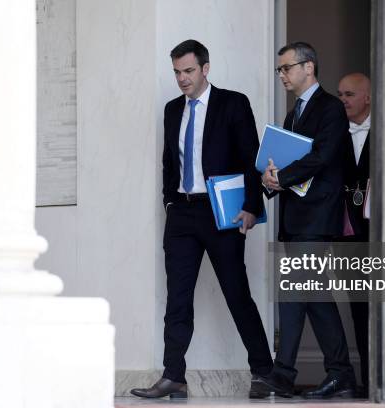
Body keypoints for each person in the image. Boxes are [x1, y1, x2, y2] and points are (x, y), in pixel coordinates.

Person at [130, 39, 272, 399]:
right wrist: (169, 201)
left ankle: (264, 371)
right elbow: (169, 161)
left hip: (220, 213)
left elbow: (250, 157)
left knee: (236, 293)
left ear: (205, 69)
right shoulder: (171, 109)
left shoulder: (233, 103)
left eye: (189, 71)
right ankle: (173, 375)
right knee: (177, 298)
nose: (182, 79)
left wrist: (252, 206)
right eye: (177, 72)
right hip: (182, 214)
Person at [255, 42, 356, 399]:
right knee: (312, 294)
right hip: (296, 217)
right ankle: (340, 374)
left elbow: (323, 156)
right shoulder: (293, 113)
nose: (282, 74)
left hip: (317, 216)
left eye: (286, 68)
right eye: (279, 69)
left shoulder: (330, 108)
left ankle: (283, 373)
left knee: (297, 290)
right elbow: (287, 162)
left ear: (308, 67)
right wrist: (270, 178)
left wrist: (280, 177)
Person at [337, 72, 371, 396]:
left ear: (367, 98)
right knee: (358, 307)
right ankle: (365, 380)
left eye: (349, 94)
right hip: (348, 233)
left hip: (383, 233)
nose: (343, 100)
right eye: (340, 94)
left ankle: (383, 376)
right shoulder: (336, 132)